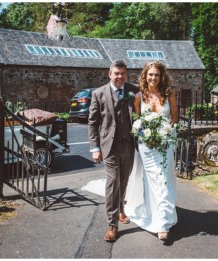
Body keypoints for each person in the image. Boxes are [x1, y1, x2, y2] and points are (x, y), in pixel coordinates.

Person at [124, 61, 179, 241]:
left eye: (156, 74)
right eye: (150, 74)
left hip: (164, 145)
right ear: (145, 76)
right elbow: (138, 121)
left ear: (161, 76)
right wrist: (145, 136)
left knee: (163, 180)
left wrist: (167, 135)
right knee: (151, 182)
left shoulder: (169, 95)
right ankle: (154, 214)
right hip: (146, 147)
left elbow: (174, 119)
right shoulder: (139, 97)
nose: (153, 78)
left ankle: (163, 222)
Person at [88, 60, 140, 242]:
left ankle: (121, 209)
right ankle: (112, 224)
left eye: (123, 74)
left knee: (124, 180)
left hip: (129, 144)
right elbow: (93, 122)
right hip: (109, 146)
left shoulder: (134, 90)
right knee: (112, 182)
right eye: (116, 73)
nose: (120, 77)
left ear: (127, 74)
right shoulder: (98, 93)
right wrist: (95, 148)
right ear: (110, 74)